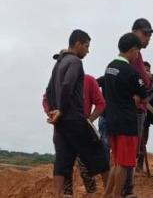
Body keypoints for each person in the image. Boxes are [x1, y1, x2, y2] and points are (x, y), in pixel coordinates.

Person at [45, 29, 109, 198]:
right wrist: (61, 109)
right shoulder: (75, 62)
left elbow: (49, 90)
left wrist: (54, 112)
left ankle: (57, 195)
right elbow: (68, 84)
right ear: (78, 44)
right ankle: (112, 194)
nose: (88, 51)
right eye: (86, 46)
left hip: (61, 124)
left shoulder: (58, 63)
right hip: (75, 119)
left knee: (62, 162)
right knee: (100, 156)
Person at [102, 33, 148, 198]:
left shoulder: (109, 67)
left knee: (115, 161)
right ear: (134, 50)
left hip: (112, 120)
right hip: (127, 123)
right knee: (123, 163)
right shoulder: (131, 72)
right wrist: (136, 96)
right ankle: (116, 195)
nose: (137, 55)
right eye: (138, 52)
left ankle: (107, 194)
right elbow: (144, 96)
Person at [123, 17, 153, 196]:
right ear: (134, 32)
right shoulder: (131, 57)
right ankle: (126, 190)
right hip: (133, 109)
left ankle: (126, 187)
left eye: (150, 35)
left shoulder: (138, 57)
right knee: (128, 150)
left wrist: (148, 79)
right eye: (145, 34)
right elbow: (128, 80)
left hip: (139, 109)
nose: (148, 38)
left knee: (133, 149)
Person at [136, 61, 153, 171]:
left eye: (148, 70)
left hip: (144, 113)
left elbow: (151, 77)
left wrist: (145, 73)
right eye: (145, 70)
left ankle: (139, 164)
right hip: (134, 112)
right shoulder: (136, 79)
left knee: (143, 140)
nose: (147, 72)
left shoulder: (149, 80)